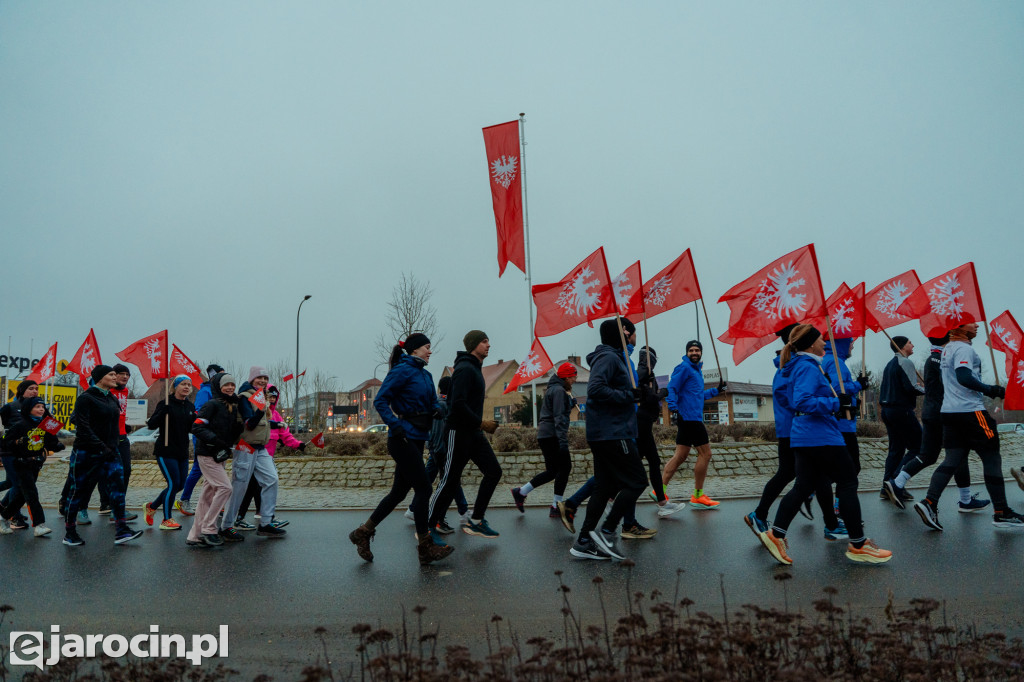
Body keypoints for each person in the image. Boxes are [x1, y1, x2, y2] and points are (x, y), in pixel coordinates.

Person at [757, 325, 892, 566]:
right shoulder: (807, 367)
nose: (824, 343)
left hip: (805, 434)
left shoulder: (800, 365)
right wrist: (834, 404)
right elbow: (802, 400)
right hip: (820, 435)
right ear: (810, 344)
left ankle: (775, 534)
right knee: (848, 481)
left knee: (803, 486)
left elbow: (808, 398)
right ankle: (859, 544)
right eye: (821, 339)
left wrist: (839, 403)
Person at [349, 333, 453, 565]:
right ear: (415, 349)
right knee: (424, 489)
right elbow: (380, 401)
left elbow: (431, 401)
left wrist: (437, 409)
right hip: (402, 437)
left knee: (398, 493)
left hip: (417, 438)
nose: (430, 351)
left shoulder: (426, 374)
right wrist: (395, 425)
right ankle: (425, 547)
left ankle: (362, 533)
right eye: (427, 347)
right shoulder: (401, 370)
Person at [912, 321, 1024, 531]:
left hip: (949, 413)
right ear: (960, 327)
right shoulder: (963, 348)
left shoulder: (947, 350)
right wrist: (991, 389)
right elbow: (964, 377)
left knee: (953, 459)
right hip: (971, 412)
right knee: (992, 456)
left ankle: (929, 502)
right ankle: (1001, 512)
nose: (977, 325)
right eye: (972, 323)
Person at [746, 325, 846, 541]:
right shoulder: (791, 368)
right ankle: (760, 514)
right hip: (794, 430)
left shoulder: (790, 366)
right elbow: (792, 399)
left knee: (817, 478)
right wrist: (818, 408)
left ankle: (830, 523)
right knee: (794, 476)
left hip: (797, 428)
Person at [567, 317, 647, 561]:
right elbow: (596, 389)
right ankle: (607, 530)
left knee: (604, 486)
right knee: (636, 481)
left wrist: (635, 394)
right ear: (616, 335)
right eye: (624, 331)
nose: (628, 333)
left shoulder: (611, 357)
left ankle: (583, 541)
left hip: (605, 432)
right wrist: (627, 395)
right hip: (613, 432)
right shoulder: (609, 357)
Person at [883, 334, 986, 511]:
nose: (912, 344)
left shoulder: (932, 359)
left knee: (924, 454)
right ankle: (946, 501)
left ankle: (896, 482)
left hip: (921, 412)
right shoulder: (941, 360)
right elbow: (954, 385)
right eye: (909, 342)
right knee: (955, 455)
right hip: (939, 412)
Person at [427, 330, 503, 539]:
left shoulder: (475, 369)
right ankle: (428, 527)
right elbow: (456, 405)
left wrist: (479, 425)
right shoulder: (464, 369)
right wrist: (482, 422)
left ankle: (476, 519)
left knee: (494, 471)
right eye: (484, 341)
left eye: (488, 341)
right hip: (457, 433)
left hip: (473, 433)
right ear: (473, 345)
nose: (488, 345)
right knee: (449, 481)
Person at [63, 365, 143, 546]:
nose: (116, 377)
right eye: (112, 374)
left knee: (117, 489)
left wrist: (114, 444)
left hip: (110, 452)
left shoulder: (112, 398)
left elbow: (112, 424)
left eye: (116, 374)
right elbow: (83, 428)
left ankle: (122, 530)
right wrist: (100, 446)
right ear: (100, 378)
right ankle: (69, 533)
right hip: (86, 452)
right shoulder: (86, 398)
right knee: (77, 492)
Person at [218, 367, 286, 540]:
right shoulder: (245, 397)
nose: (263, 381)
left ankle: (265, 523)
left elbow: (261, 423)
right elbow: (249, 423)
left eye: (265, 378)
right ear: (252, 379)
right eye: (259, 378)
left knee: (272, 479)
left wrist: (275, 424)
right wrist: (263, 410)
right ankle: (226, 526)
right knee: (240, 485)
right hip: (245, 446)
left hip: (260, 447)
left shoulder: (260, 397)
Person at [661, 340, 724, 509]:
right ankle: (697, 495)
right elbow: (672, 388)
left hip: (691, 417)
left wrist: (716, 391)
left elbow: (697, 395)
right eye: (691, 350)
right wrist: (673, 408)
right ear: (687, 352)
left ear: (701, 353)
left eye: (697, 350)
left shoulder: (696, 371)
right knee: (706, 454)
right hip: (689, 418)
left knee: (680, 456)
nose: (694, 352)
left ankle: (659, 491)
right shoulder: (684, 368)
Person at [511, 362, 579, 517]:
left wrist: (569, 404)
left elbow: (557, 411)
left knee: (553, 471)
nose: (574, 380)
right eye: (573, 377)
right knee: (565, 467)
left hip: (545, 435)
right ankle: (556, 506)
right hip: (553, 435)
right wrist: (563, 442)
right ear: (566, 377)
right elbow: (559, 418)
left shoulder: (554, 389)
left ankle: (521, 492)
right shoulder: (559, 391)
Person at [405, 375, 469, 533]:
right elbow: (440, 430)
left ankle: (413, 509)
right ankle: (459, 513)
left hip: (435, 448)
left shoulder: (436, 403)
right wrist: (442, 449)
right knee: (450, 481)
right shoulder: (444, 405)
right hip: (442, 449)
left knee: (428, 481)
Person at [234, 384, 302, 531]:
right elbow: (249, 425)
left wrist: (298, 444)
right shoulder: (256, 410)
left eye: (274, 397)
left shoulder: (275, 415)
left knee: (265, 485)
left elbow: (285, 434)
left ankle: (265, 517)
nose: (271, 400)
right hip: (251, 452)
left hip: (265, 457)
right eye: (269, 396)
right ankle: (238, 518)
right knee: (249, 487)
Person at [188, 372, 243, 548]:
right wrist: (216, 441)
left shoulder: (232, 406)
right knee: (225, 488)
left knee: (207, 495)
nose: (230, 387)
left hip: (221, 454)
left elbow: (231, 432)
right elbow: (196, 427)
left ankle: (194, 535)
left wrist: (239, 426)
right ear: (218, 387)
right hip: (207, 454)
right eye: (226, 385)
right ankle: (208, 529)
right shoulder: (211, 405)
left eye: (232, 385)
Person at [0, 397, 64, 536]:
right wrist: (18, 441)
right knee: (32, 493)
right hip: (21, 463)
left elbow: (50, 443)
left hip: (36, 464)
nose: (41, 409)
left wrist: (58, 446)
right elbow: (6, 443)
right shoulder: (20, 425)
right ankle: (39, 525)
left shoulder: (45, 425)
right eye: (37, 407)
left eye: (42, 407)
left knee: (23, 496)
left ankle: (3, 517)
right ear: (28, 409)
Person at [636, 346, 685, 520]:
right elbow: (649, 398)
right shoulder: (643, 371)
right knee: (652, 462)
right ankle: (662, 503)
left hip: (644, 422)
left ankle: (662, 502)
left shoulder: (644, 372)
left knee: (642, 462)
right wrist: (663, 392)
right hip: (641, 422)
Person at [143, 375, 197, 530]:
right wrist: (162, 413)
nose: (186, 387)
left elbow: (191, 429)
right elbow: (151, 425)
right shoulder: (165, 403)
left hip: (182, 451)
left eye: (189, 385)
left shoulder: (189, 406)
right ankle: (166, 519)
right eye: (183, 384)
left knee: (180, 484)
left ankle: (152, 507)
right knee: (173, 484)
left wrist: (195, 420)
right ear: (175, 387)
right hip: (166, 450)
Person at [878, 335, 924, 500]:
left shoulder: (890, 364)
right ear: (902, 346)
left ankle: (886, 488)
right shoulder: (905, 362)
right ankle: (895, 482)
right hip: (901, 410)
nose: (913, 345)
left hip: (887, 410)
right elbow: (910, 387)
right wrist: (929, 390)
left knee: (896, 450)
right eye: (910, 342)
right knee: (918, 447)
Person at [176, 363, 224, 516]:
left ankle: (216, 502)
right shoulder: (205, 392)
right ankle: (184, 499)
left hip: (218, 438)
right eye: (220, 374)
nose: (224, 377)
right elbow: (200, 414)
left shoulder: (221, 392)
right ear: (213, 376)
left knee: (217, 470)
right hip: (204, 437)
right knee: (198, 468)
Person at [0, 379, 38, 529]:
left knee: (11, 483)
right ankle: (14, 517)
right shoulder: (10, 407)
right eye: (31, 388)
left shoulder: (38, 407)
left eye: (36, 388)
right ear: (22, 391)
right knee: (19, 484)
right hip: (10, 451)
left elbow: (49, 426)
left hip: (28, 454)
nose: (34, 391)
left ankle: (4, 506)